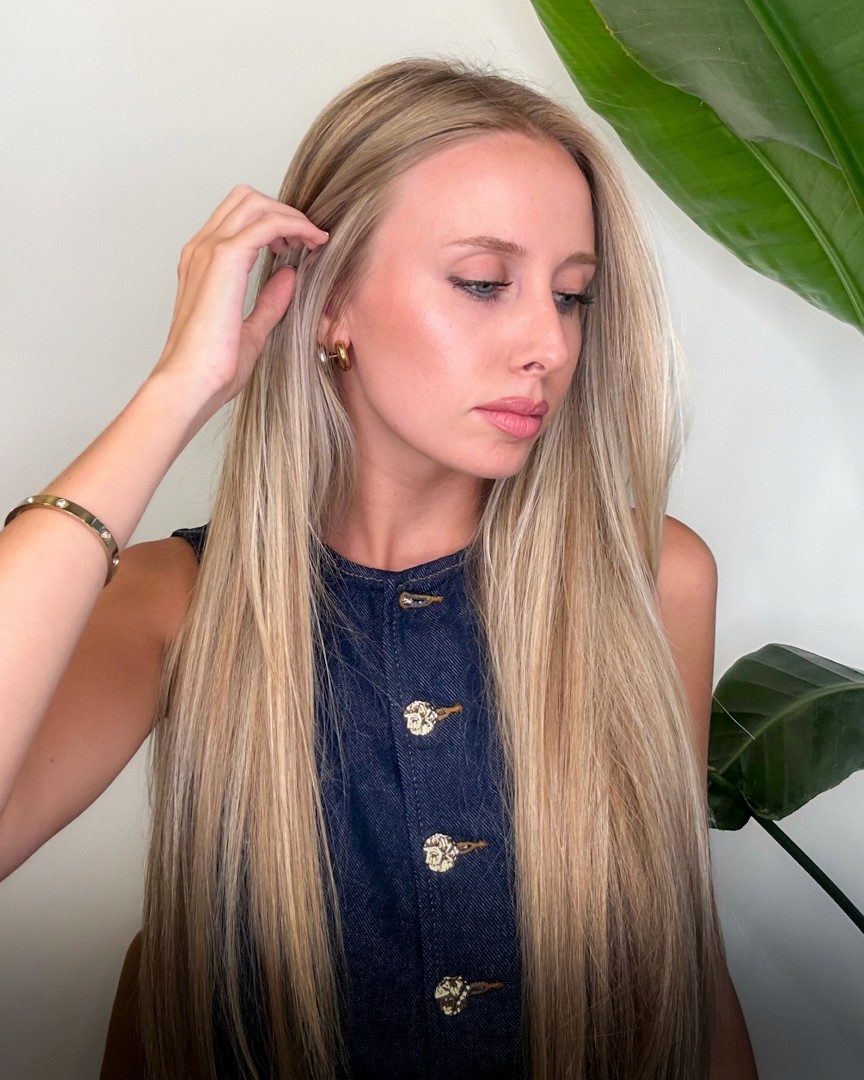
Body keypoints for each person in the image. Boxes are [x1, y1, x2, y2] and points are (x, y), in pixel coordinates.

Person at [0, 58, 758, 1079]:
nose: (548, 341)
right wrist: (181, 388)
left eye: (572, 295)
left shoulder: (652, 582)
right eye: (483, 282)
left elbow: (687, 970)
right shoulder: (177, 605)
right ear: (329, 304)